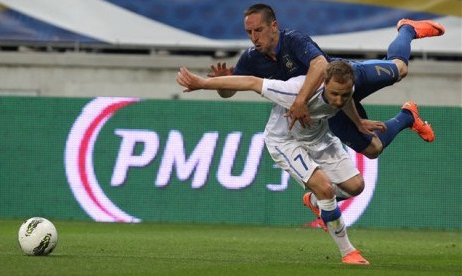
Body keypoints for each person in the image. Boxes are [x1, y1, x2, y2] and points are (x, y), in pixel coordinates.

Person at [176, 61, 434, 265]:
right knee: (326, 190)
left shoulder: (345, 89)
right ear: (323, 84)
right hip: (285, 140)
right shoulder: (295, 91)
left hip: (318, 136)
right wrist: (202, 82)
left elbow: (347, 103)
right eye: (333, 94)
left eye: (343, 95)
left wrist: (357, 123)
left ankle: (313, 203)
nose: (337, 100)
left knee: (356, 186)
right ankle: (348, 252)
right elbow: (252, 82)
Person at [209, 3, 443, 159]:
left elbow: (320, 65)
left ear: (273, 26)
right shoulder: (251, 58)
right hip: (331, 108)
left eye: (258, 30)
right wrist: (224, 84)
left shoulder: (292, 40)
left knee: (400, 69)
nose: (253, 37)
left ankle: (407, 30)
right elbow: (229, 92)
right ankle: (407, 116)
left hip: (348, 77)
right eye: (249, 33)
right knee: (373, 150)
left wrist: (300, 101)